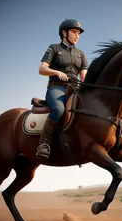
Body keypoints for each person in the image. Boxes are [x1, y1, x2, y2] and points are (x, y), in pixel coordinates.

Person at [36, 19, 88, 158]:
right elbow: (42, 69)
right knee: (59, 110)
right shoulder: (54, 48)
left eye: (79, 33)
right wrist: (56, 72)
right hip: (57, 88)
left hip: (75, 89)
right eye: (74, 32)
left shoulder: (81, 54)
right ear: (64, 33)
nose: (77, 36)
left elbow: (84, 78)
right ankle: (43, 144)